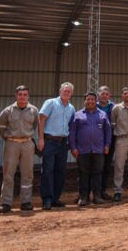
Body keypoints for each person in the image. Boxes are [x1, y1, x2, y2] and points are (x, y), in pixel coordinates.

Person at [0, 85, 39, 213]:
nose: (22, 97)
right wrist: (9, 139)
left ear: (28, 96)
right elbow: (1, 128)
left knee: (27, 174)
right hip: (12, 144)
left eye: (25, 94)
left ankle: (26, 202)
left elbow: (35, 126)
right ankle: (5, 203)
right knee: (8, 173)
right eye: (20, 94)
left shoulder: (34, 111)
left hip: (27, 144)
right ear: (16, 96)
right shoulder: (7, 111)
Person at [38, 82, 76, 210]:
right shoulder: (50, 103)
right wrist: (41, 139)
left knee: (60, 171)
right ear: (60, 91)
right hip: (49, 141)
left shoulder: (71, 108)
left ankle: (55, 198)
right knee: (48, 170)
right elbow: (41, 119)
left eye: (69, 91)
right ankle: (47, 199)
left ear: (72, 93)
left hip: (63, 143)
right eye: (65, 90)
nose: (66, 92)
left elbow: (71, 127)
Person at [69, 92, 112, 206]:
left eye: (92, 99)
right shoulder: (78, 115)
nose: (90, 101)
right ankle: (84, 197)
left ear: (95, 101)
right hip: (82, 150)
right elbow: (72, 133)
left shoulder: (102, 115)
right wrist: (73, 147)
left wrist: (107, 145)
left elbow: (108, 131)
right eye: (88, 99)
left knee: (98, 173)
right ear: (85, 101)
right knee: (83, 173)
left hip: (99, 150)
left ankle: (97, 196)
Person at [96, 85, 116, 200]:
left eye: (106, 94)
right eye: (102, 93)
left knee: (106, 166)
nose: (104, 96)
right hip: (96, 140)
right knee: (93, 166)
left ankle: (102, 191)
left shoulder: (114, 107)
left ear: (109, 95)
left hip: (110, 141)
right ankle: (86, 192)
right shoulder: (93, 105)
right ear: (98, 94)